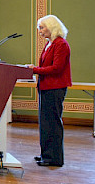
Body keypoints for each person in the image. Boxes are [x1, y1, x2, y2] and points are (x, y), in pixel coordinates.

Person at [25, 15, 71, 167]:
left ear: (52, 27)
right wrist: (35, 68)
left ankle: (55, 158)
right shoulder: (50, 44)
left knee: (52, 123)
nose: (39, 31)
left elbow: (57, 68)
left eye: (42, 27)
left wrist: (35, 70)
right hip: (46, 87)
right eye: (39, 27)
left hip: (55, 88)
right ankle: (46, 155)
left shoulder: (61, 44)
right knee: (45, 123)